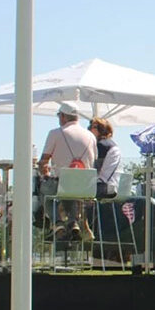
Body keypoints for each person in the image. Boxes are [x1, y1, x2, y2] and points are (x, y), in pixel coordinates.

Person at [39, 101, 98, 240]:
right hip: (85, 187)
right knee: (70, 194)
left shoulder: (55, 133)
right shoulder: (91, 136)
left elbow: (43, 161)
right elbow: (94, 159)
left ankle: (58, 223)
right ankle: (73, 223)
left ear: (64, 116)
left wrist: (45, 174)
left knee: (45, 193)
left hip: (62, 184)